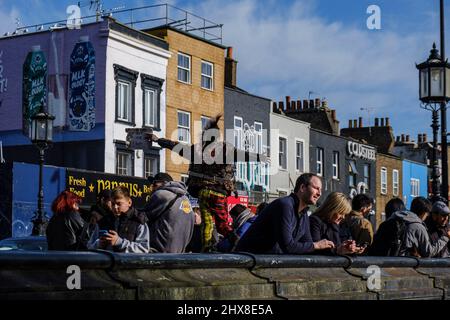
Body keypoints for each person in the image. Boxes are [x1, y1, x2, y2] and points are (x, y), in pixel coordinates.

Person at [148, 115, 266, 252]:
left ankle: (208, 248)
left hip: (203, 192)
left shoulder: (196, 150)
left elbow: (177, 147)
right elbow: (242, 155)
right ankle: (236, 242)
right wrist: (259, 157)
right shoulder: (224, 150)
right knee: (222, 223)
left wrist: (158, 140)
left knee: (208, 222)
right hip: (217, 193)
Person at [234, 173, 334, 254]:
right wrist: (316, 245)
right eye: (316, 188)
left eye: (320, 190)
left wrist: (338, 250)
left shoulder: (303, 214)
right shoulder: (285, 205)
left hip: (264, 264)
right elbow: (288, 246)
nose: (319, 193)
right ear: (303, 187)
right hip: (246, 263)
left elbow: (307, 246)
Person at [87, 186, 149, 253]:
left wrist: (119, 242)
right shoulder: (103, 221)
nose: (115, 207)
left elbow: (143, 249)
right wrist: (99, 244)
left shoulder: (138, 221)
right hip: (108, 262)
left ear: (129, 202)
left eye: (119, 204)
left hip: (128, 263)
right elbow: (89, 246)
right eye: (113, 204)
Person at [143, 174, 195, 253]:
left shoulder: (161, 194)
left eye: (154, 184)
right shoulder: (185, 199)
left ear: (164, 183)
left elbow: (143, 216)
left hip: (160, 252)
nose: (152, 188)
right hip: (180, 253)